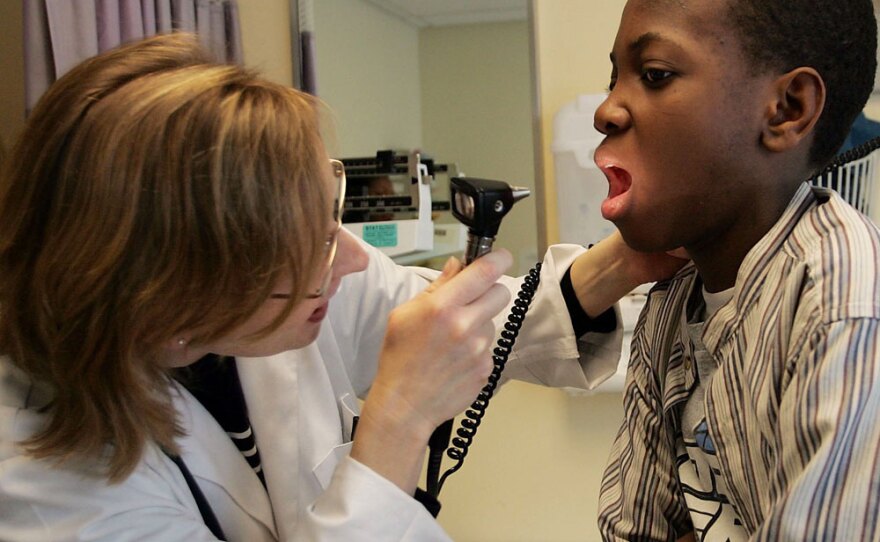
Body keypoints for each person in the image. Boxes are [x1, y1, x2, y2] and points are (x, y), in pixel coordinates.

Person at [0, 34, 683, 541]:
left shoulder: (272, 299)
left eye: (330, 218)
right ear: (172, 313)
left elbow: (453, 319)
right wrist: (398, 422)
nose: (354, 260)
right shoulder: (41, 486)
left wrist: (625, 260)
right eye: (312, 255)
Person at [592, 0, 879, 540]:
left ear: (787, 109)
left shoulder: (846, 306)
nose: (606, 110)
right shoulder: (674, 301)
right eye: (615, 77)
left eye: (654, 74)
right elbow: (632, 529)